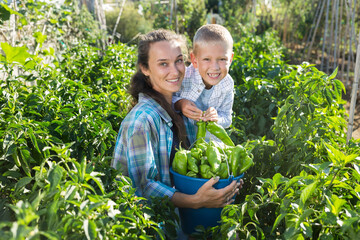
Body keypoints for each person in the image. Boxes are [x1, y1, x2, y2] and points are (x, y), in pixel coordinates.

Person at [111, 29, 240, 210]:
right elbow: (142, 186)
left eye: (179, 61)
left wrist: (225, 186)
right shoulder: (140, 121)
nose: (175, 71)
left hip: (181, 218)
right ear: (145, 68)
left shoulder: (182, 109)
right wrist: (196, 201)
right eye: (163, 64)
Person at [173, 24, 235, 142]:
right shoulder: (184, 77)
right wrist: (180, 104)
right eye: (207, 59)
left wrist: (217, 118)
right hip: (184, 142)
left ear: (230, 59)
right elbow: (166, 101)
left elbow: (227, 118)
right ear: (194, 60)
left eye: (222, 59)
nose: (215, 67)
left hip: (212, 145)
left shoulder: (227, 83)